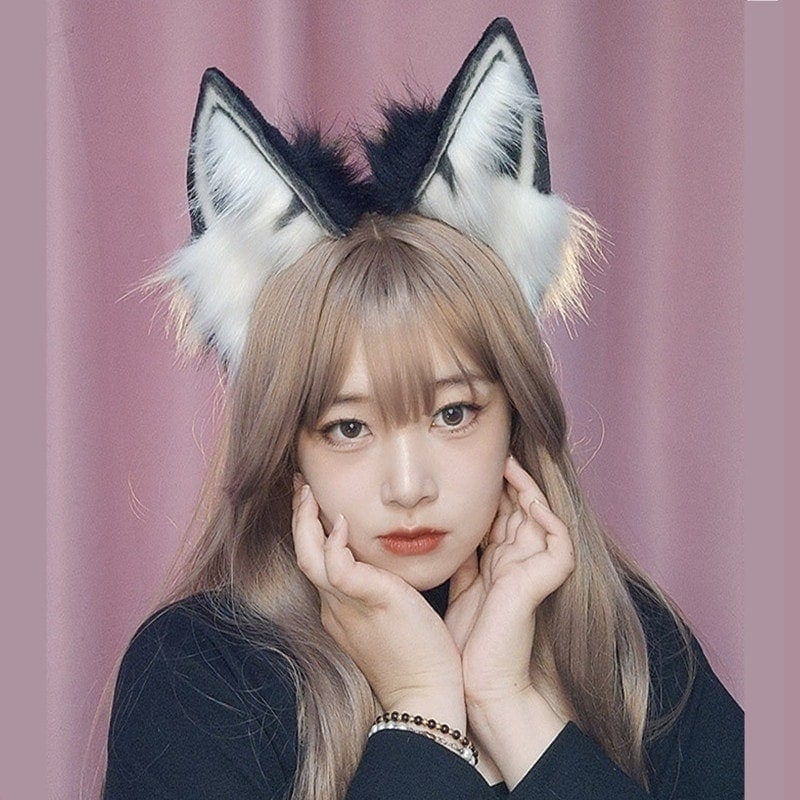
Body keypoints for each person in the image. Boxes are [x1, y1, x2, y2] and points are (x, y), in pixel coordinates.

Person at [102, 18, 743, 800]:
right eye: (347, 428)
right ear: (287, 448)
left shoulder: (634, 643)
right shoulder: (198, 674)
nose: (409, 486)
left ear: (517, 416)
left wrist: (509, 705)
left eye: (453, 415)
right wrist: (422, 709)